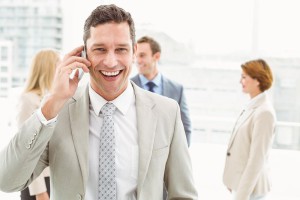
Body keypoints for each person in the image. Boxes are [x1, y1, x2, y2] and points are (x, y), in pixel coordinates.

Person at [0, 4, 198, 200]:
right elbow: (7, 181)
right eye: (100, 49)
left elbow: (184, 195)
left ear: (133, 51)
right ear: (84, 53)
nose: (111, 62)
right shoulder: (58, 111)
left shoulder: (166, 112)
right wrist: (52, 102)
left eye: (121, 49)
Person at [223, 59, 277, 200]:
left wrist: (241, 195)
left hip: (252, 191)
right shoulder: (252, 106)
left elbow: (256, 159)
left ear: (257, 80)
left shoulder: (264, 112)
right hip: (243, 186)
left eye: (244, 77)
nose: (240, 81)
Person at [131, 36, 192, 147]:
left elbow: (185, 128)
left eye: (142, 55)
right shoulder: (127, 87)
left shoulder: (177, 89)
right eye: (135, 56)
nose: (137, 60)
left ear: (156, 56)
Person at [16, 49, 60, 200]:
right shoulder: (28, 100)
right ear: (48, 69)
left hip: (55, 179)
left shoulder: (54, 99)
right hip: (38, 183)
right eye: (58, 66)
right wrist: (40, 192)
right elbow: (26, 151)